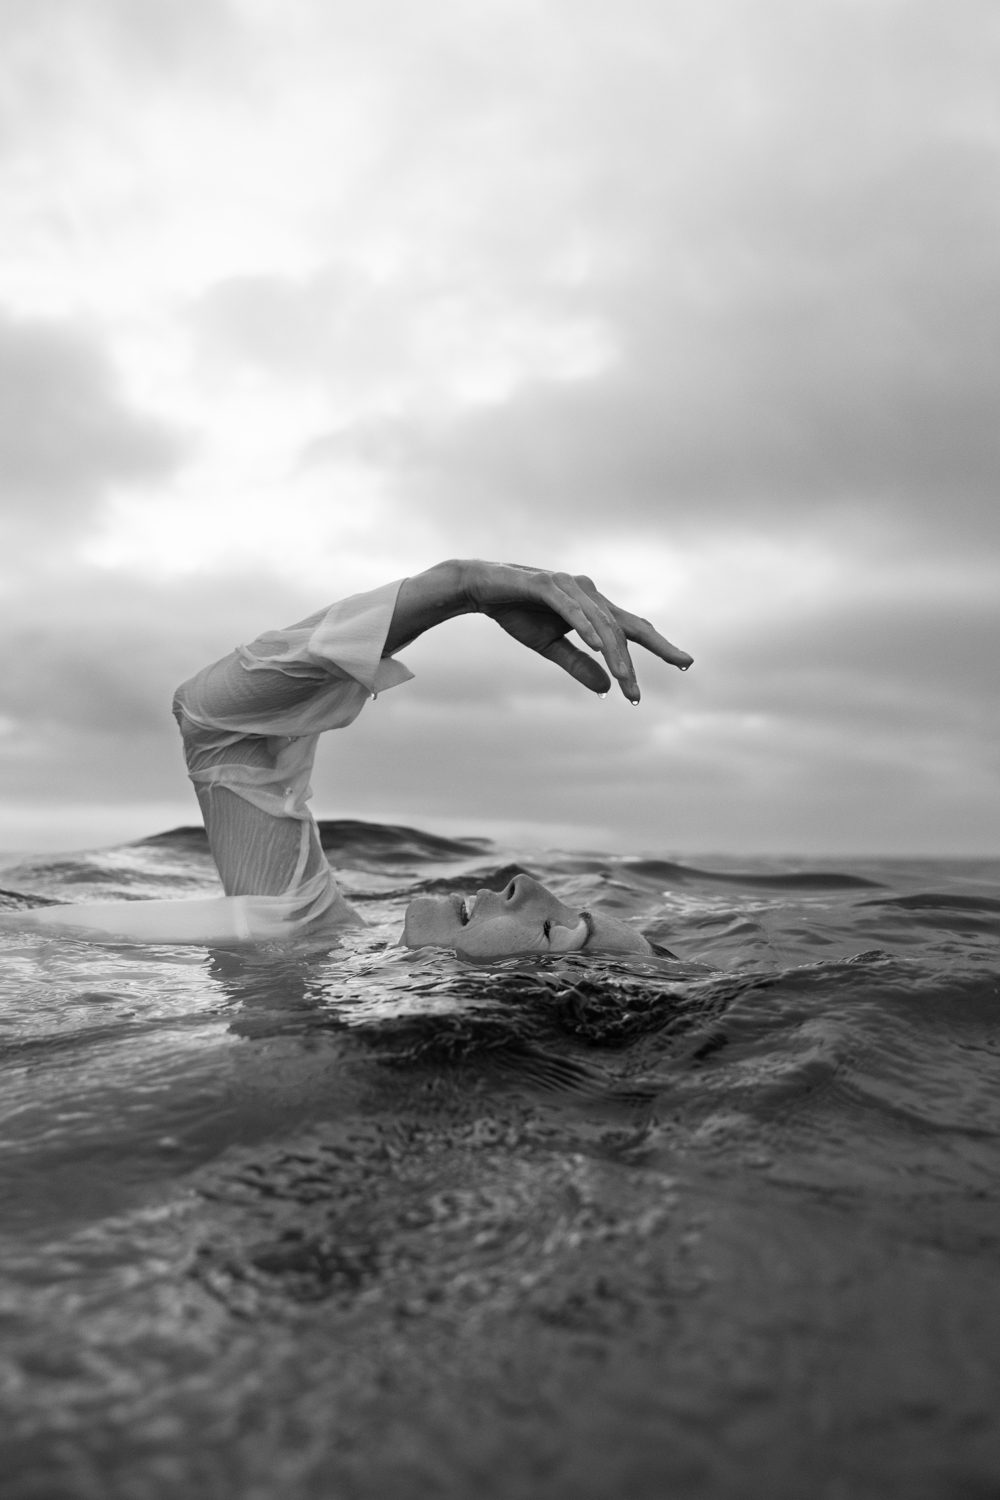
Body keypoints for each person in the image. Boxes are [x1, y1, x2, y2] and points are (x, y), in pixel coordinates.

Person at [13, 560, 692, 954]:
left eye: (562, 930)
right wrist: (459, 587)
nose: (526, 886)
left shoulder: (295, 1003)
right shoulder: (307, 923)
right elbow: (212, 717)